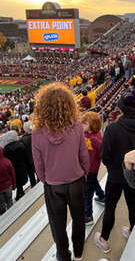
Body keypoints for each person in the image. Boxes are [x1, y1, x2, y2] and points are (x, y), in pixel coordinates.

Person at [32, 83, 89, 261]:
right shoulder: (77, 127)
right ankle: (78, 252)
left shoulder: (37, 132)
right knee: (79, 219)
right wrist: (83, 172)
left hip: (53, 184)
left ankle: (63, 255)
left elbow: (38, 164)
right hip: (76, 181)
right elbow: (83, 155)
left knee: (57, 224)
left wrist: (46, 179)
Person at [94, 90, 135, 253]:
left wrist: (112, 167)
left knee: (110, 207)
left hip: (115, 175)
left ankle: (104, 239)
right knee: (131, 203)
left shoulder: (112, 128)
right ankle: (132, 231)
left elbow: (105, 156)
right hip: (133, 174)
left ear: (121, 108)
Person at [80, 111, 105, 225]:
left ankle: (88, 215)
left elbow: (102, 154)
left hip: (91, 168)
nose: (82, 125)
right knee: (93, 182)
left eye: (84, 123)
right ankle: (102, 196)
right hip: (84, 167)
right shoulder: (85, 133)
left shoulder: (97, 139)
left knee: (87, 192)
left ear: (93, 125)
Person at [3, 130, 28, 201]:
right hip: (22, 167)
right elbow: (25, 156)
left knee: (17, 183)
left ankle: (20, 194)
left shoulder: (6, 149)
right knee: (21, 183)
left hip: (13, 169)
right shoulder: (21, 145)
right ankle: (20, 193)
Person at [0, 146, 16, 215]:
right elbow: (13, 174)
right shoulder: (7, 161)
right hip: (8, 186)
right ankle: (11, 216)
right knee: (10, 201)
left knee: (1, 204)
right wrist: (14, 184)